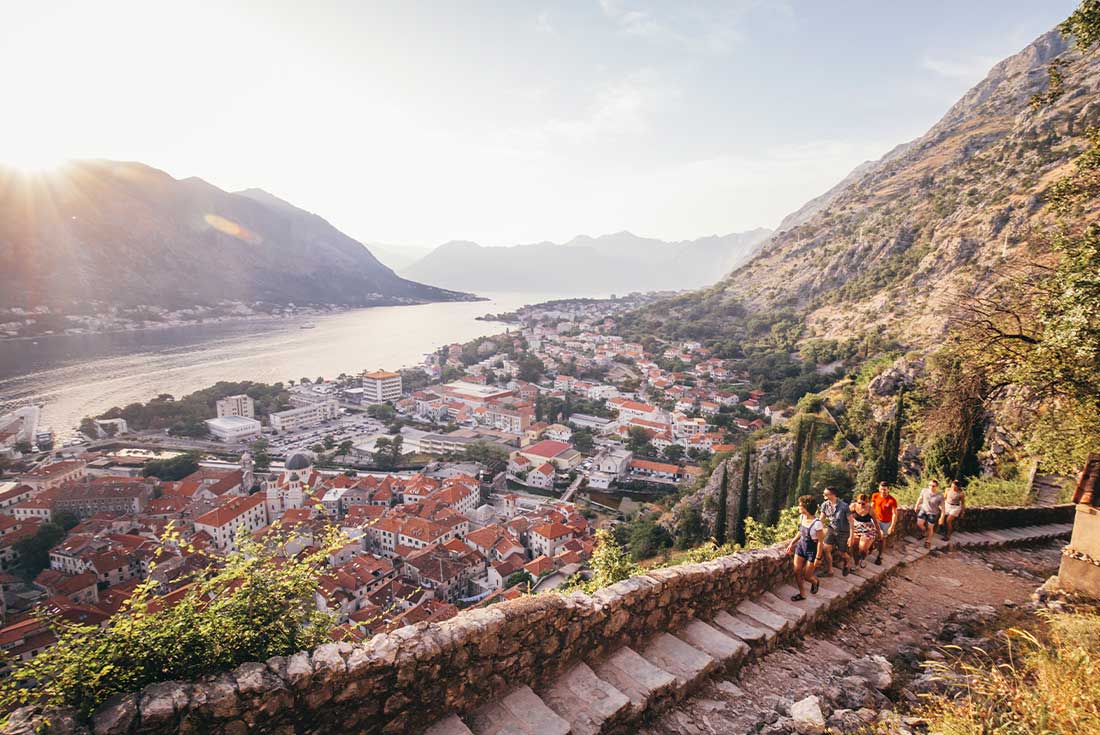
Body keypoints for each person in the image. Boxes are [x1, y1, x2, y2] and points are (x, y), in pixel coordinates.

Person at [786, 494, 823, 601]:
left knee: (807, 576)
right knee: (797, 571)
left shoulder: (817, 524)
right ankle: (802, 594)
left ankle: (815, 581)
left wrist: (818, 558)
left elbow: (820, 542)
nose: (798, 507)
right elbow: (800, 532)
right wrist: (791, 543)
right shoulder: (802, 517)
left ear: (806, 508)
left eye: (800, 505)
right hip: (801, 547)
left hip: (812, 550)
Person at [816, 486, 852, 577]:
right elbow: (822, 519)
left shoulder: (844, 506)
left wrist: (851, 537)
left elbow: (851, 522)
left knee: (842, 553)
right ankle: (830, 570)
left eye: (826, 494)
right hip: (831, 529)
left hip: (843, 532)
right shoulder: (825, 505)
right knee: (825, 549)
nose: (824, 495)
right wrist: (815, 530)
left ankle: (847, 562)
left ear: (833, 495)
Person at [848, 493, 882, 568]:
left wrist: (879, 535)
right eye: (859, 503)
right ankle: (856, 564)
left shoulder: (870, 509)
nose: (860, 505)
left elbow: (876, 523)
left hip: (867, 529)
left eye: (863, 503)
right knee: (854, 546)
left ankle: (863, 557)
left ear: (867, 502)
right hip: (856, 528)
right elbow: (845, 515)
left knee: (862, 547)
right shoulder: (853, 506)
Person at [913, 479, 945, 548]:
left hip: (933, 513)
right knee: (919, 523)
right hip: (923, 510)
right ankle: (925, 532)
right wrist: (916, 505)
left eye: (933, 486)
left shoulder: (939, 496)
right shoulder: (924, 491)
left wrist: (942, 517)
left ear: (936, 487)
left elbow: (943, 508)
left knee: (930, 527)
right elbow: (920, 498)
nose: (931, 487)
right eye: (929, 485)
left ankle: (928, 541)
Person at [871, 481, 898, 561]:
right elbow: (871, 507)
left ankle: (880, 555)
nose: (883, 491)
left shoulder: (892, 500)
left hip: (886, 523)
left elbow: (894, 514)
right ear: (879, 489)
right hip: (875, 520)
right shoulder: (875, 496)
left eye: (885, 489)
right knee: (871, 535)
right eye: (882, 489)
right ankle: (870, 548)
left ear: (888, 489)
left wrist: (892, 526)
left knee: (882, 539)